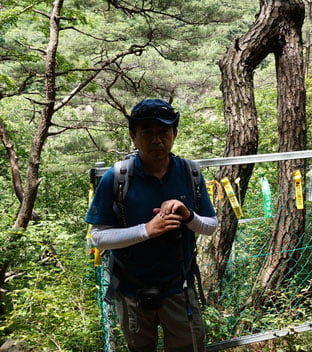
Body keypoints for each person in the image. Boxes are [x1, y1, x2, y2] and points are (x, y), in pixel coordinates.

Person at [86, 99, 218, 352]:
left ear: (174, 134)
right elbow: (99, 238)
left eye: (163, 132)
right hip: (131, 290)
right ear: (133, 136)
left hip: (180, 287)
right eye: (147, 132)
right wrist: (147, 230)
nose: (157, 139)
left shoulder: (190, 173)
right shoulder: (117, 178)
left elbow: (210, 226)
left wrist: (188, 215)